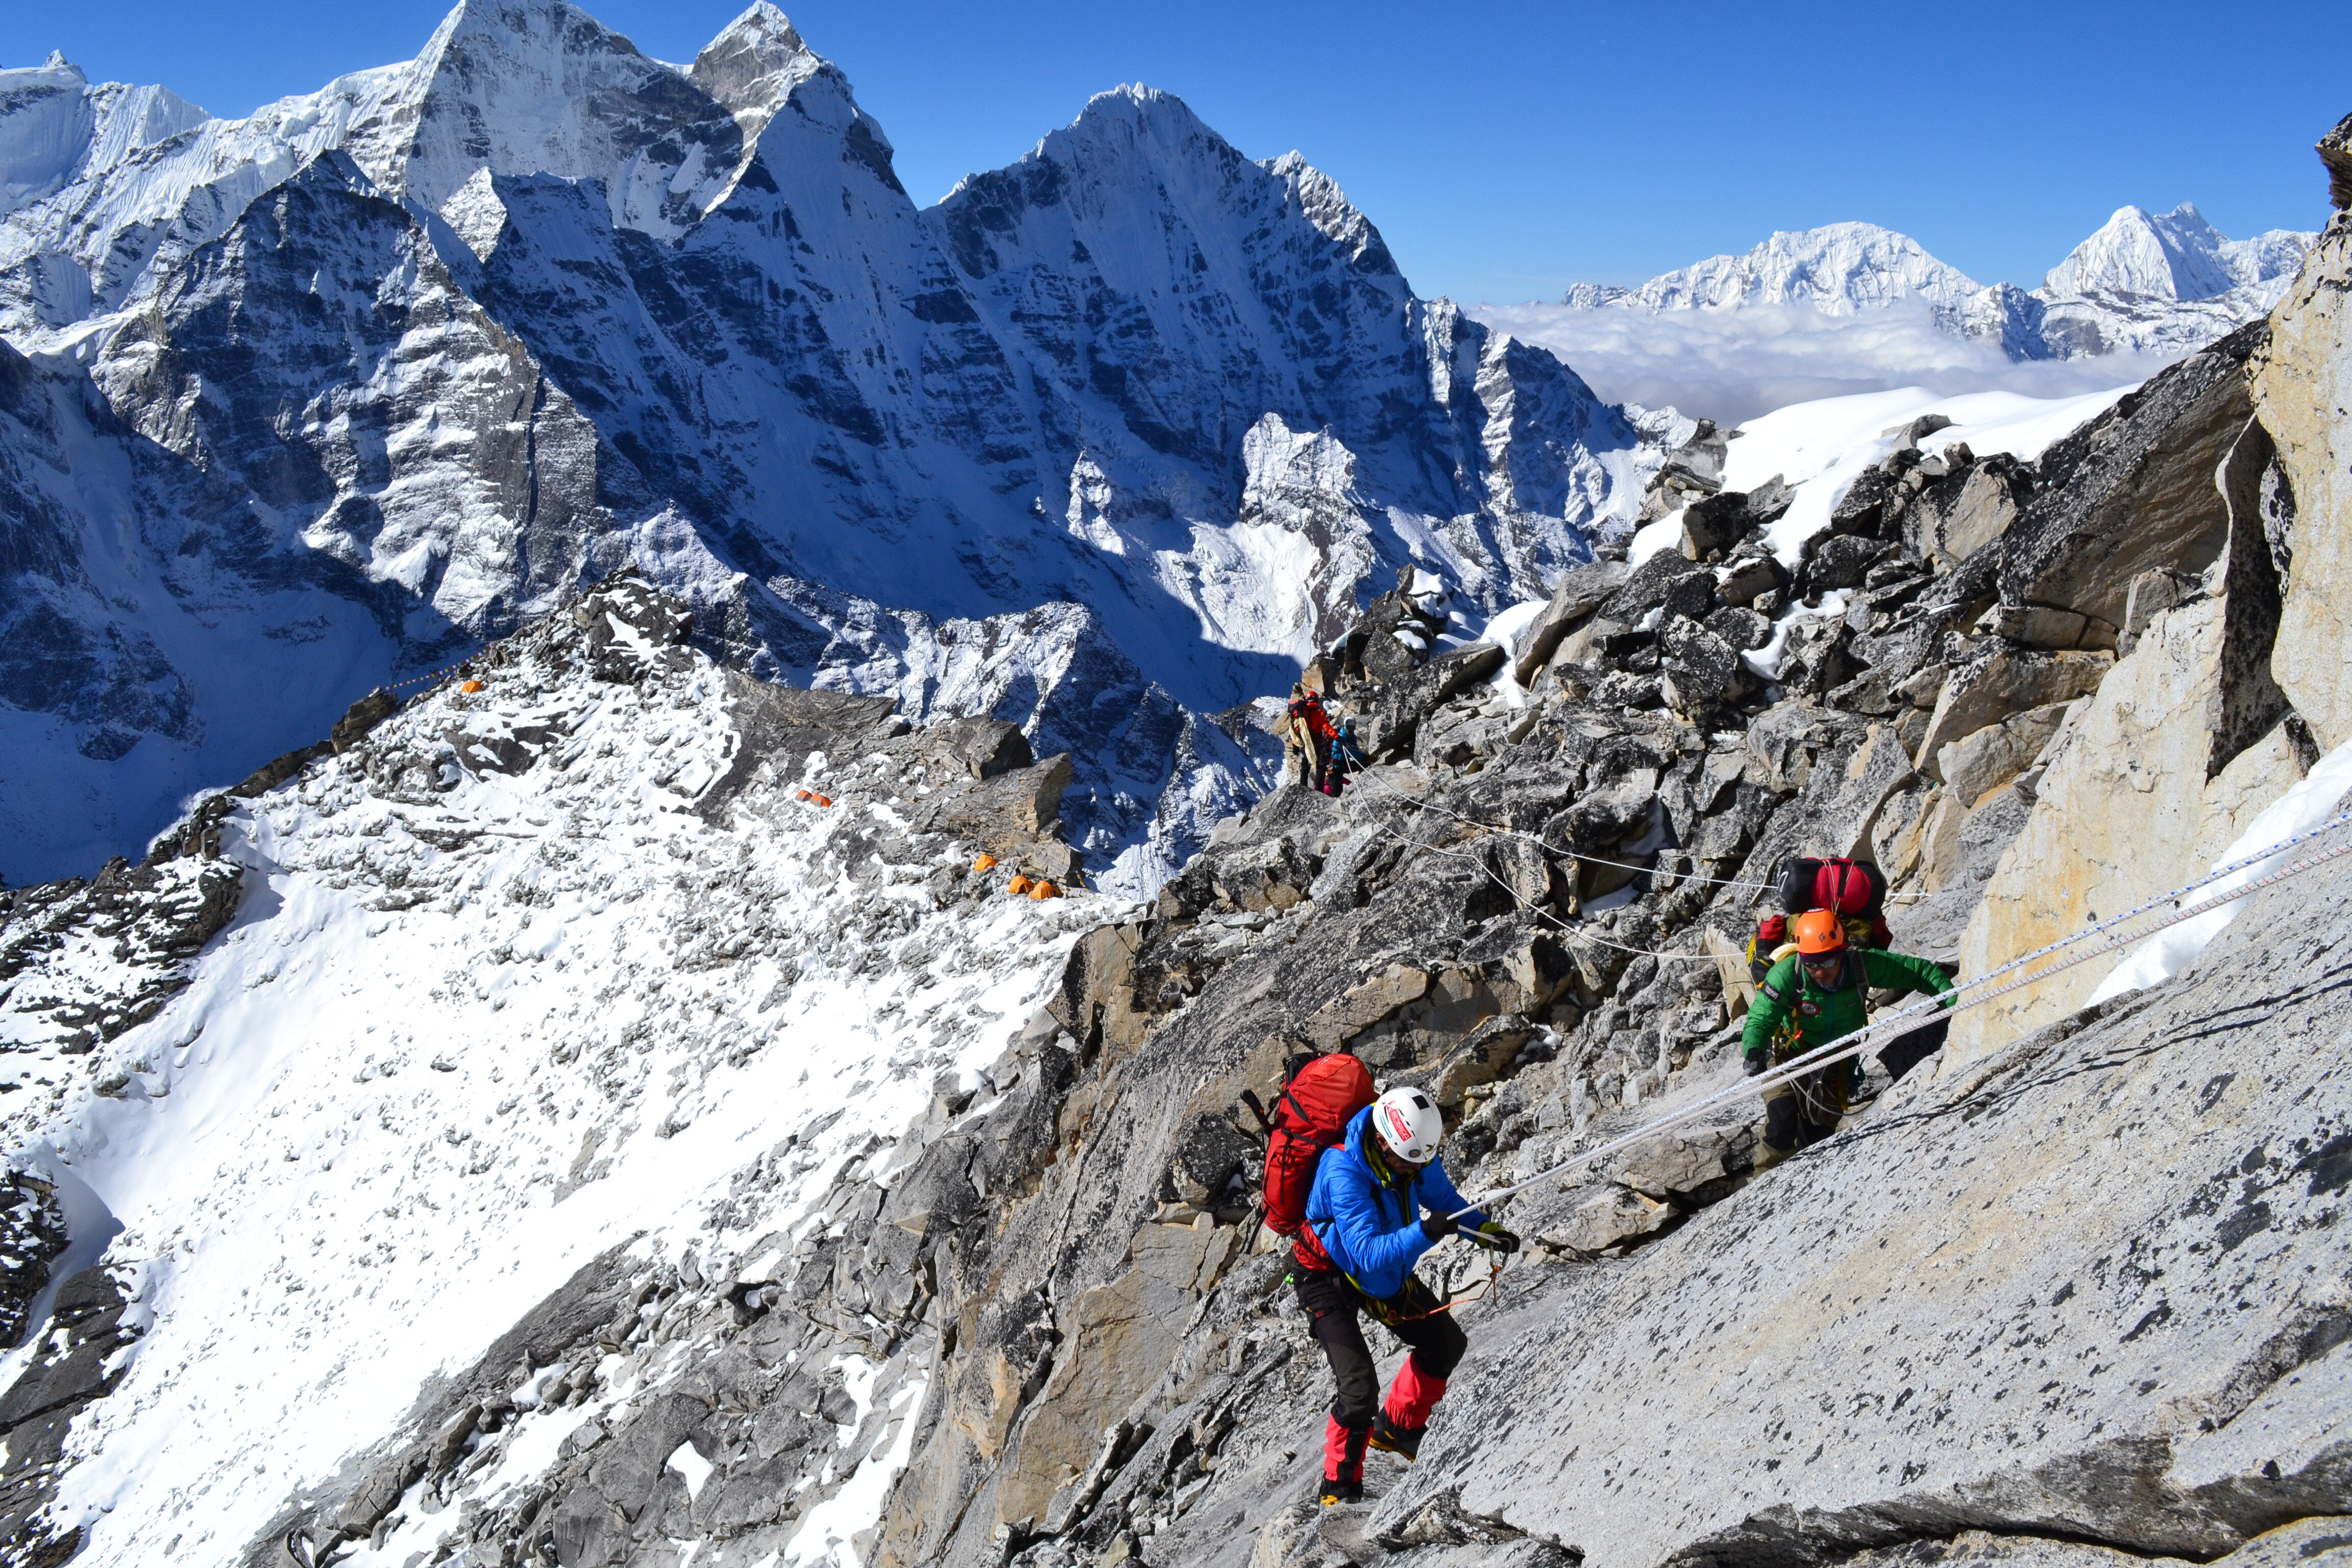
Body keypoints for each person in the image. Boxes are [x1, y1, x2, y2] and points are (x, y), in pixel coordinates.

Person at [1296, 1086, 1520, 1505]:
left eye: (1421, 1161)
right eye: (1407, 1161)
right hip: (1326, 1277)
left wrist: (1483, 1230)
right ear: (1382, 1142)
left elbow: (1444, 1201)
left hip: (1378, 1276)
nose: (1414, 1170)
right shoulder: (1343, 1171)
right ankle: (1339, 1487)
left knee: (1446, 1344)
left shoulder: (1412, 1157)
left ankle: (1396, 1431)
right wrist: (1425, 1232)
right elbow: (1367, 1252)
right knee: (1359, 1389)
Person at [1740, 910, 1954, 1168]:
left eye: (1829, 962)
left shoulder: (1861, 965)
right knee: (1781, 1118)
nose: (1820, 972)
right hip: (1790, 1053)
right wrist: (1754, 1051)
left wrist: (1953, 1002)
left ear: (1842, 951)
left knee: (1818, 1133)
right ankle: (1764, 1182)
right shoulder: (1787, 974)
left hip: (1837, 1059)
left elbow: (1919, 972)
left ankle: (1803, 1182)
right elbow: (1760, 1019)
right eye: (1812, 964)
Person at [1286, 683, 1339, 792]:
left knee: (1305, 765)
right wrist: (1337, 737)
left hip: (1304, 743)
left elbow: (1295, 729)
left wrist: (1295, 746)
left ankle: (1303, 787)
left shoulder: (1301, 713)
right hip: (1317, 742)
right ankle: (1318, 788)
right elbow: (1327, 727)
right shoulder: (1318, 713)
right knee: (1321, 765)